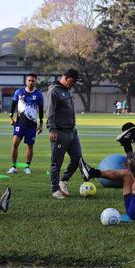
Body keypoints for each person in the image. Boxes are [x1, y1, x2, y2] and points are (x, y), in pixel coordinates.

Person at [46, 68, 83, 199]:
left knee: (77, 158)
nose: (74, 84)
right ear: (66, 77)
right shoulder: (54, 91)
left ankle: (63, 180)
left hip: (72, 132)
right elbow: (50, 112)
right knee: (56, 162)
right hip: (59, 132)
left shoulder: (68, 90)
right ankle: (55, 189)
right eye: (73, 81)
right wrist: (52, 129)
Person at [7, 73, 44, 175]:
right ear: (26, 81)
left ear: (35, 81)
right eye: (29, 80)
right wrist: (10, 117)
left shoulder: (38, 95)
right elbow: (13, 105)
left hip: (32, 125)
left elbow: (41, 110)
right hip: (19, 123)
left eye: (33, 80)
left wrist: (41, 124)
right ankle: (13, 167)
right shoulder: (19, 92)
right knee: (15, 144)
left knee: (30, 146)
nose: (31, 82)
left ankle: (27, 166)